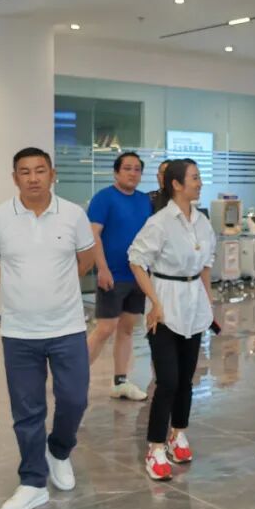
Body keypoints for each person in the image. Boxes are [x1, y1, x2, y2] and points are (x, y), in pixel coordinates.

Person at [0, 147, 96, 509]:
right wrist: (18, 291)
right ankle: (32, 481)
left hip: (67, 328)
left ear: (52, 174)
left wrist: (55, 289)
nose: (33, 178)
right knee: (27, 410)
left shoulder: (73, 214)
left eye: (40, 170)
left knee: (74, 399)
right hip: (19, 332)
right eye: (25, 172)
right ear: (15, 178)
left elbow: (86, 260)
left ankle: (59, 450)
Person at [128, 159, 216, 481]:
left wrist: (209, 301)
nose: (199, 182)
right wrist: (154, 301)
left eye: (199, 177)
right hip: (165, 305)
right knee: (167, 380)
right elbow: (136, 260)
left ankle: (178, 434)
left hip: (194, 304)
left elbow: (206, 264)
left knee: (187, 378)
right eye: (194, 178)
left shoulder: (202, 222)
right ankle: (155, 447)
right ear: (177, 184)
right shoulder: (160, 222)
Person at [86, 152, 152, 402]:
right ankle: (74, 377)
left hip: (137, 274)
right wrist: (102, 269)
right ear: (116, 172)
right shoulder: (104, 198)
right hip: (112, 275)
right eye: (127, 168)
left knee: (127, 328)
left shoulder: (144, 201)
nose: (132, 173)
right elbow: (94, 235)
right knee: (105, 328)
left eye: (137, 169)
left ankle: (120, 382)